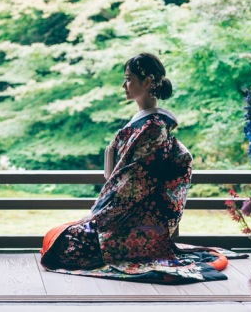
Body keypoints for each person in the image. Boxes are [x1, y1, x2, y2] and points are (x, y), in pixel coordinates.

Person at [41, 53, 193, 270]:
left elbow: (133, 184)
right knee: (58, 237)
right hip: (122, 210)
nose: (124, 85)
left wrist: (100, 214)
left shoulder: (153, 127)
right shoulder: (145, 123)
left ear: (148, 82)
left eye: (129, 79)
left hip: (136, 218)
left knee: (67, 245)